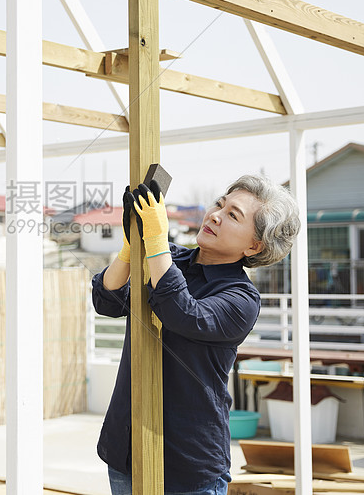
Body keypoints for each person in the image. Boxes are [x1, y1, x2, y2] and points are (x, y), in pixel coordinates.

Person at [93, 174, 300, 495]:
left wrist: (157, 242)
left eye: (233, 215)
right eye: (219, 204)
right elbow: (107, 300)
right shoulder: (169, 258)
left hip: (188, 461)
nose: (215, 215)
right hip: (127, 445)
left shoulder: (241, 297)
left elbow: (181, 313)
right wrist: (130, 248)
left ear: (254, 245)